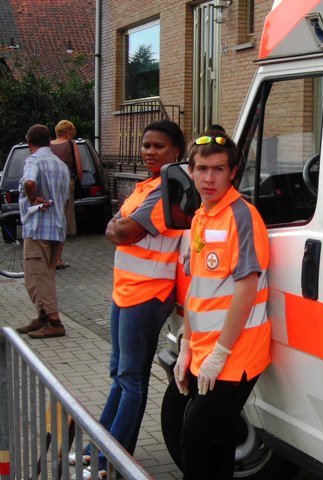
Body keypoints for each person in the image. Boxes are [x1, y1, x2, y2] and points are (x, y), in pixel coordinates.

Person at [75, 120, 186, 477]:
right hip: (125, 291)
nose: (149, 151)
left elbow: (123, 230)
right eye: (146, 145)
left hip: (149, 294)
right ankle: (100, 446)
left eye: (158, 146)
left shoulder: (167, 190)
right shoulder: (145, 186)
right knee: (119, 372)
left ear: (176, 152)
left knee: (131, 377)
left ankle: (113, 458)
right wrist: (118, 227)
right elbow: (115, 227)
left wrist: (119, 226)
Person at [173, 131, 271, 479]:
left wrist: (221, 353)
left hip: (235, 354)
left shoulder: (242, 215)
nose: (209, 178)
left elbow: (246, 290)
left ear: (232, 172)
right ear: (190, 171)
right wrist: (186, 344)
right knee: (217, 443)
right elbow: (197, 288)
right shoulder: (201, 216)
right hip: (206, 349)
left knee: (195, 440)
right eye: (202, 169)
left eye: (218, 169)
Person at [15, 124, 70, 339]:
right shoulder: (61, 165)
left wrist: (32, 198)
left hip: (38, 228)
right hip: (57, 228)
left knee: (37, 278)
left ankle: (54, 323)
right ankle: (43, 317)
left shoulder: (34, 160)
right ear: (49, 142)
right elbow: (66, 199)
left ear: (29, 143)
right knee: (46, 274)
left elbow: (30, 182)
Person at [50, 120, 83, 269]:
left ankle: (50, 256)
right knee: (63, 221)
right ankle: (58, 259)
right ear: (68, 132)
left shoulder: (48, 146)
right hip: (66, 184)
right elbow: (79, 168)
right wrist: (78, 181)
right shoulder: (71, 145)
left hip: (50, 185)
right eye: (72, 133)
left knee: (52, 219)